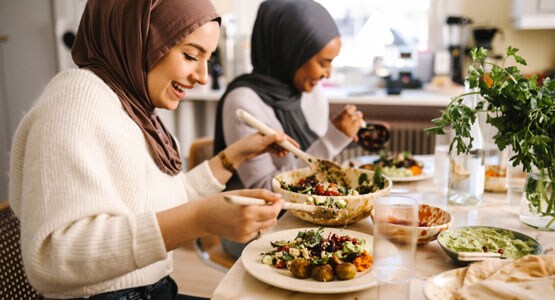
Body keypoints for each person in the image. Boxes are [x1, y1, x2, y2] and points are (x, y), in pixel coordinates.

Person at [8, 0, 290, 299]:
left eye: (207, 58)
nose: (203, 77)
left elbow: (161, 202)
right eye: (190, 55)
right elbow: (51, 257)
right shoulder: (75, 104)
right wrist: (200, 219)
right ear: (139, 38)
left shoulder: (130, 104)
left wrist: (236, 155)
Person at [213, 0, 365, 258]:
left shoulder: (311, 92)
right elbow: (266, 193)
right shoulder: (243, 101)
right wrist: (333, 140)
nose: (328, 73)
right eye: (323, 62)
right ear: (291, 51)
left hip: (303, 218)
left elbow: (312, 171)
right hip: (256, 230)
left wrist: (344, 136)